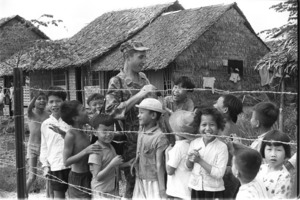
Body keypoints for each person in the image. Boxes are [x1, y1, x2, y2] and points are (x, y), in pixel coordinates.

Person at [105, 40, 156, 198]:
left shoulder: (143, 78)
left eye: (144, 57)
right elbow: (111, 113)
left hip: (149, 139)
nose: (144, 61)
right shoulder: (117, 81)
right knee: (133, 183)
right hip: (130, 143)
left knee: (150, 182)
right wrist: (140, 94)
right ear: (128, 56)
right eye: (140, 57)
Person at [61, 100, 102, 199]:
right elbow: (66, 162)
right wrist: (86, 151)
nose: (87, 111)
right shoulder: (71, 135)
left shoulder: (84, 131)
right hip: (77, 177)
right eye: (83, 110)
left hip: (89, 175)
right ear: (75, 118)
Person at [186, 107, 228, 200]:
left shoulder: (221, 147)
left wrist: (200, 161)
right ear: (198, 127)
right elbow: (188, 167)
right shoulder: (195, 143)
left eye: (212, 124)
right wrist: (190, 158)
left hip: (214, 191)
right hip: (196, 188)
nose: (207, 128)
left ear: (218, 127)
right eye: (204, 124)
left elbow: (219, 174)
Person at [88, 113, 133, 198]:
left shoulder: (110, 146)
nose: (108, 134)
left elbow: (114, 166)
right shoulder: (96, 151)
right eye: (104, 131)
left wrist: (127, 164)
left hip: (112, 189)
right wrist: (112, 164)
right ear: (95, 133)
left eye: (111, 130)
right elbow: (97, 177)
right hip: (101, 192)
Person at [131, 98, 169, 199]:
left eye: (142, 113)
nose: (138, 115)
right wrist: (136, 162)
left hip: (153, 181)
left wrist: (162, 189)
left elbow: (160, 164)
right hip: (140, 177)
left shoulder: (160, 137)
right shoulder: (141, 130)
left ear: (153, 115)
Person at [40, 86, 71, 199]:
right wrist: (45, 165)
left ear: (64, 102)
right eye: (51, 102)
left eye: (58, 101)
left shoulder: (70, 121)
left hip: (72, 165)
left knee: (75, 195)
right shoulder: (45, 124)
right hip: (55, 166)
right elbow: (44, 146)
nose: (54, 105)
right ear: (47, 104)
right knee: (58, 196)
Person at [213, 94, 243, 199]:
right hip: (231, 173)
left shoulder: (221, 128)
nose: (214, 105)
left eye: (217, 103)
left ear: (225, 110)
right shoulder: (235, 127)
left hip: (223, 175)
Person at [165, 110, 199, 200]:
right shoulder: (193, 144)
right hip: (188, 190)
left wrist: (166, 154)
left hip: (178, 191)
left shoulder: (178, 147)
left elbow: (170, 171)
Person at [25, 91, 49, 197]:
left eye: (44, 98)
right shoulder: (31, 113)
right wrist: (34, 97)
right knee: (32, 176)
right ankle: (23, 195)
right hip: (32, 147)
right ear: (34, 101)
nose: (42, 100)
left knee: (49, 174)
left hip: (45, 147)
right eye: (39, 99)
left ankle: (49, 195)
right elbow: (29, 108)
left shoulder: (48, 115)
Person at [257, 130, 292, 199]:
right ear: (263, 150)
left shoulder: (284, 178)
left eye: (278, 150)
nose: (273, 154)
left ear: (286, 152)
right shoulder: (260, 168)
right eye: (269, 149)